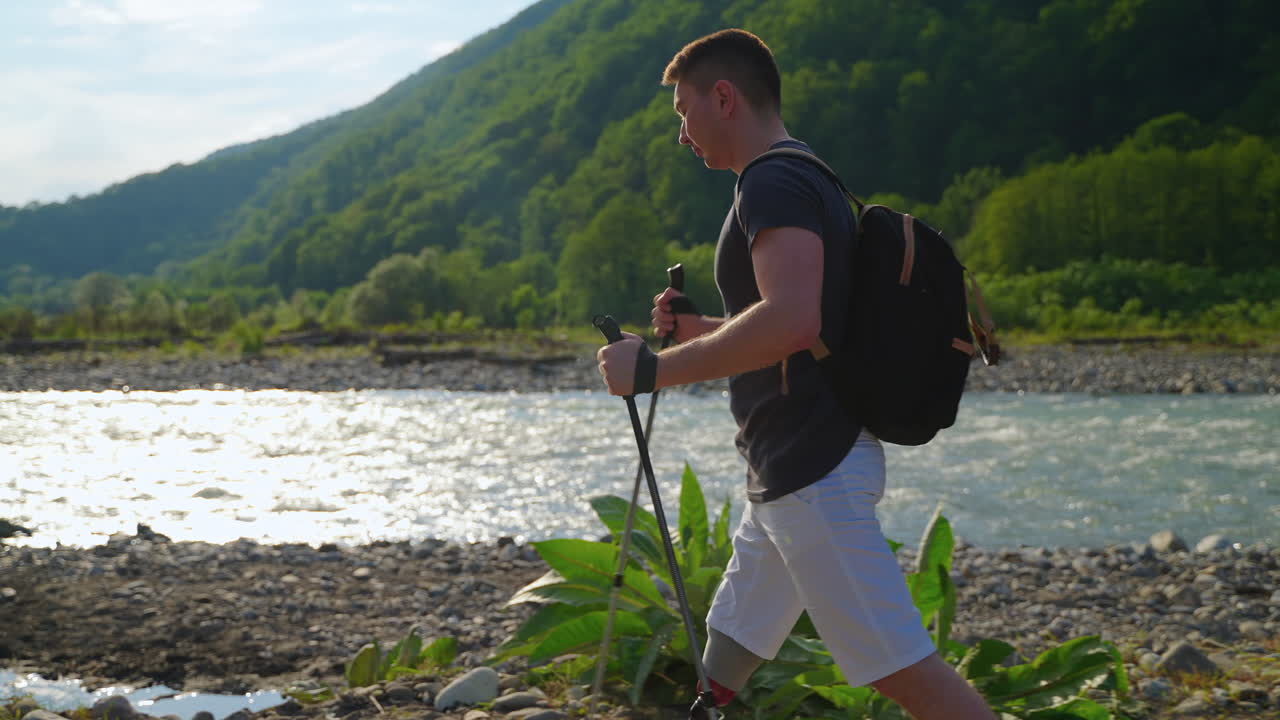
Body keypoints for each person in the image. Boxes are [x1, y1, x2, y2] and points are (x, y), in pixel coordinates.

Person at [595, 29, 996, 720]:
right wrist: (702, 333)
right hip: (797, 465)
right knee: (738, 629)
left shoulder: (771, 182)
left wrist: (655, 369)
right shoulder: (804, 172)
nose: (682, 134)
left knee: (903, 671)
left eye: (684, 112)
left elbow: (791, 324)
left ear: (724, 97)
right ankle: (706, 707)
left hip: (812, 469)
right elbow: (802, 329)